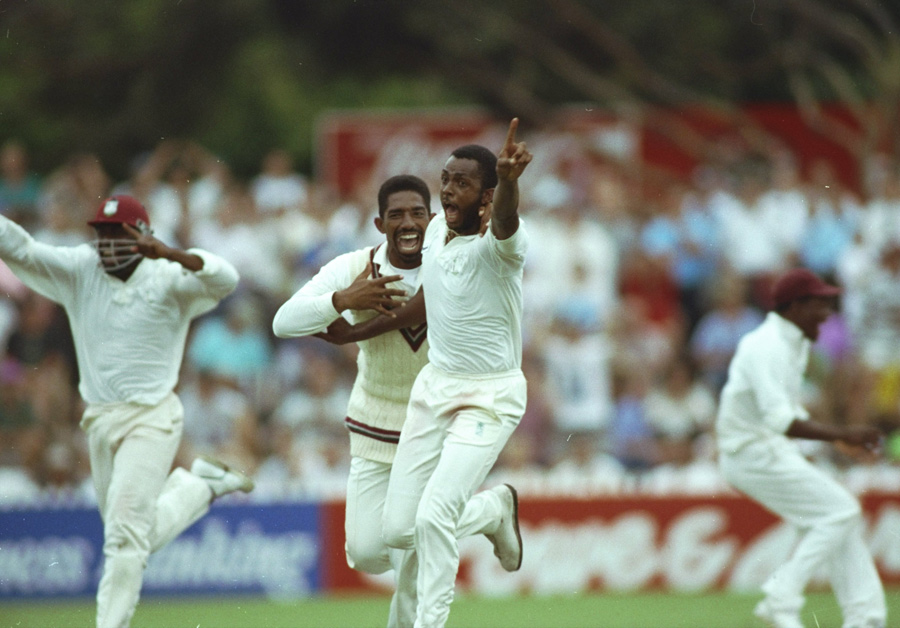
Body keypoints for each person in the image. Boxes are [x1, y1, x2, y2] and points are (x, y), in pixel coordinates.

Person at [272, 174, 519, 628]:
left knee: (414, 547)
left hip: (440, 418)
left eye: (417, 213)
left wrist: (353, 328)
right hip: (376, 420)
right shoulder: (353, 266)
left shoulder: (450, 256)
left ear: (433, 217)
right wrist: (343, 298)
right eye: (397, 215)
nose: (408, 223)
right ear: (379, 222)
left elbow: (429, 300)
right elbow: (283, 323)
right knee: (368, 551)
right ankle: (490, 510)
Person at [0, 194, 254, 628]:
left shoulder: (168, 277)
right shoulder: (81, 269)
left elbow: (226, 280)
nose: (109, 243)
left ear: (145, 236)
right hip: (99, 419)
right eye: (103, 233)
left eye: (120, 234)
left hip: (153, 416)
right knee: (133, 534)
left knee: (123, 535)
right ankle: (200, 487)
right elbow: (20, 249)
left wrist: (172, 254)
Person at [320, 119, 532, 628]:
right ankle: (494, 511)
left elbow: (504, 221)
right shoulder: (436, 230)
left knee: (434, 514)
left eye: (462, 183)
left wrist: (509, 185)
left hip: (489, 396)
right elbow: (427, 303)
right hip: (434, 389)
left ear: (485, 197)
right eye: (446, 179)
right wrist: (358, 333)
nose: (447, 190)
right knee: (398, 532)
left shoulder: (502, 247)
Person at [716, 267, 886, 628]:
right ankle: (783, 594)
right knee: (840, 512)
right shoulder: (766, 346)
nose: (827, 314)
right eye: (820, 305)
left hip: (766, 450)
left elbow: (789, 410)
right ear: (794, 306)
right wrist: (845, 432)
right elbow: (781, 421)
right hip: (748, 455)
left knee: (835, 518)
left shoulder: (794, 343)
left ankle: (866, 618)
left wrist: (839, 439)